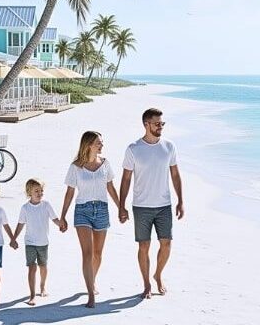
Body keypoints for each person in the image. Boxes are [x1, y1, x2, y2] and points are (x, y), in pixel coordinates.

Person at [118, 108, 185, 299]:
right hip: (141, 206)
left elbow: (175, 174)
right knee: (143, 246)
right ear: (146, 124)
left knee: (166, 244)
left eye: (162, 124)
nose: (160, 127)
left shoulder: (169, 147)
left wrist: (180, 200)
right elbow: (125, 179)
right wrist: (121, 206)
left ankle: (158, 275)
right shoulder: (134, 149)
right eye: (157, 124)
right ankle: (147, 283)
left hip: (164, 205)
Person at [59, 131, 120, 308]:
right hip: (82, 211)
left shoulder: (106, 164)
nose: (102, 145)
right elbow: (69, 193)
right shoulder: (76, 166)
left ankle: (92, 280)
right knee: (87, 253)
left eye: (102, 142)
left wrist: (120, 207)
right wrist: (63, 216)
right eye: (98, 143)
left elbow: (110, 187)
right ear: (89, 145)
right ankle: (91, 294)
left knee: (97, 254)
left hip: (102, 209)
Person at [12, 178, 64, 306]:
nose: (40, 193)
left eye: (41, 191)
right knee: (31, 267)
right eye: (37, 191)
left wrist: (61, 225)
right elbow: (20, 224)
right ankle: (32, 295)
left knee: (43, 266)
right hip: (29, 242)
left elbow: (55, 219)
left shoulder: (46, 205)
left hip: (43, 242)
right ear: (29, 192)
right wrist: (14, 238)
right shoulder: (25, 208)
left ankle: (42, 286)